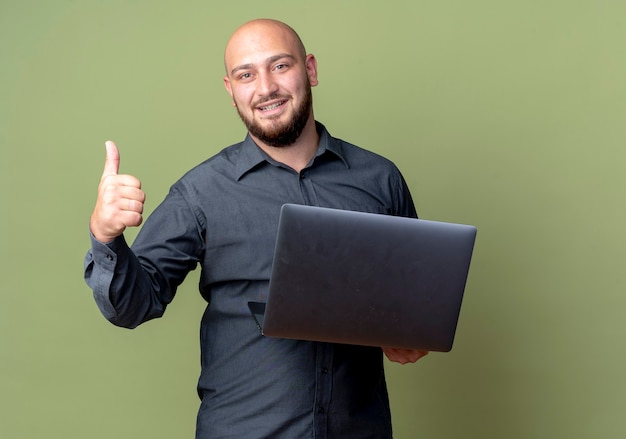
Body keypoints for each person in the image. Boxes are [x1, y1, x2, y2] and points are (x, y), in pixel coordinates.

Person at [85, 18, 428, 439]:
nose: (265, 87)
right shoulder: (201, 192)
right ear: (231, 91)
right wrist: (106, 236)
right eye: (246, 74)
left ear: (311, 70)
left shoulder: (379, 179)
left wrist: (409, 336)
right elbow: (133, 305)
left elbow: (412, 305)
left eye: (280, 66)